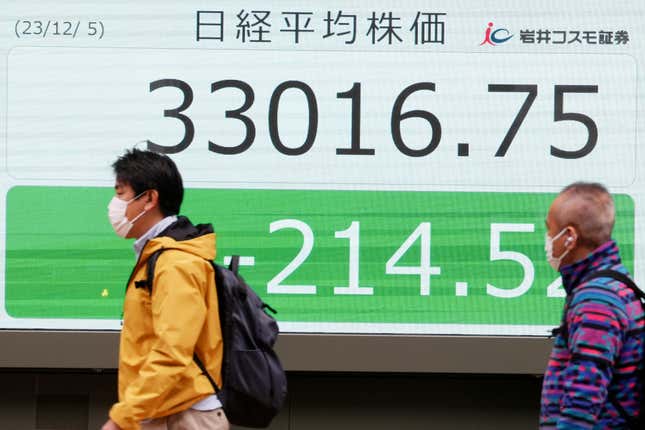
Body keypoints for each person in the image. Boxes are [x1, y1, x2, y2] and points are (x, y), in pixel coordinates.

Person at [101, 149, 228, 430]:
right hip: (163, 409)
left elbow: (172, 351)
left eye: (121, 193)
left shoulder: (175, 261)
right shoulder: (161, 254)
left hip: (183, 415)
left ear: (148, 198)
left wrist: (122, 418)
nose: (115, 204)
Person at [540, 182, 644, 428]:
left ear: (569, 237)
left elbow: (585, 394)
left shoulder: (596, 300)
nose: (546, 240)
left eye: (549, 229)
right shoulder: (611, 285)